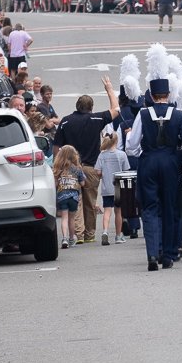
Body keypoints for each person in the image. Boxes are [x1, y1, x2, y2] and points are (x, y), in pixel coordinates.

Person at [126, 71, 182, 271]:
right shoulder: (178, 114)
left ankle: (152, 253)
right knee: (170, 208)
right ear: (168, 94)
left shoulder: (142, 114)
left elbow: (131, 145)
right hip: (171, 163)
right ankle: (167, 255)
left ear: (151, 94)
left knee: (149, 209)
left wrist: (144, 151)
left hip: (148, 162)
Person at [53, 79, 119, 245]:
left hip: (70, 169)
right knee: (90, 202)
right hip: (91, 168)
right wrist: (109, 89)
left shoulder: (66, 121)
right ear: (91, 107)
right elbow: (116, 110)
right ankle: (89, 234)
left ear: (77, 106)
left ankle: (78, 234)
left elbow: (56, 147)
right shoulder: (97, 119)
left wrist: (57, 167)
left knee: (76, 202)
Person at [95, 132, 130, 246]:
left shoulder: (102, 155)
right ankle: (118, 236)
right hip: (119, 187)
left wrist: (103, 175)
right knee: (118, 211)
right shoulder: (122, 154)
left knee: (107, 211)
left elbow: (98, 172)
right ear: (117, 141)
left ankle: (105, 231)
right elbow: (126, 170)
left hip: (107, 188)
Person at [52, 145, 87, 250]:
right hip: (74, 197)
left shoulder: (58, 168)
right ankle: (72, 238)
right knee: (72, 219)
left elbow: (55, 184)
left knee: (64, 217)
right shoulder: (77, 168)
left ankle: (64, 238)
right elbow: (83, 183)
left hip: (62, 195)